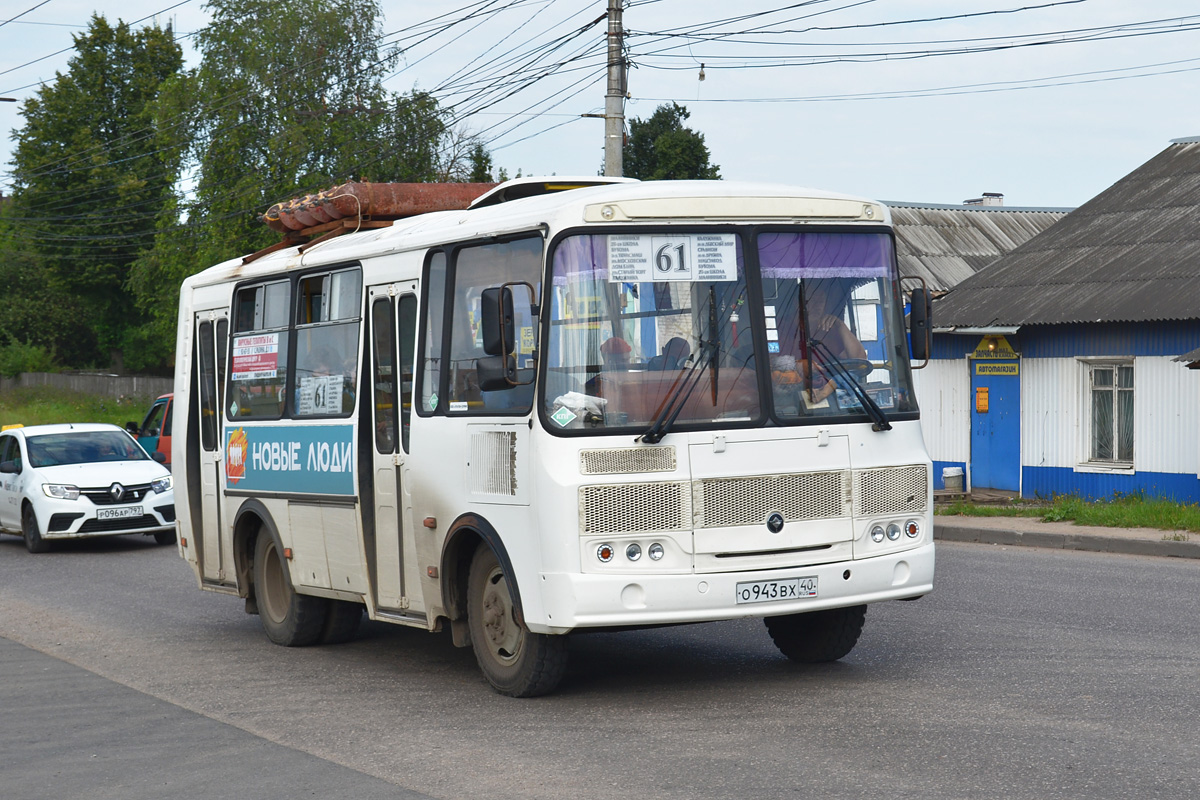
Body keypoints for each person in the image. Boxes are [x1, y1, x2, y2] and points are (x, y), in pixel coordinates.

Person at [801, 282, 867, 404]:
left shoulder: (828, 330)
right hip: (792, 395)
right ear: (797, 304)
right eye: (811, 300)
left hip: (828, 399)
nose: (817, 305)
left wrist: (840, 325)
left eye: (820, 301)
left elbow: (859, 360)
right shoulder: (782, 327)